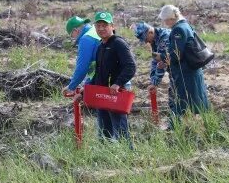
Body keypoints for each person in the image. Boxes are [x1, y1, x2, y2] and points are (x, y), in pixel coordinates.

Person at [157, 4, 210, 120]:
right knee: (196, 100)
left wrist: (161, 57)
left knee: (185, 103)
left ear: (171, 18)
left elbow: (176, 54)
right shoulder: (185, 25)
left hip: (185, 73)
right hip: (191, 70)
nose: (165, 23)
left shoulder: (178, 29)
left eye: (166, 20)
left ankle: (185, 128)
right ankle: (195, 126)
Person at [91, 11, 137, 141]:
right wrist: (87, 89)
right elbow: (99, 73)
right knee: (104, 132)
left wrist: (118, 83)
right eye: (98, 25)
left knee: (120, 131)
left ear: (112, 26)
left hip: (116, 94)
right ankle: (107, 159)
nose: (101, 28)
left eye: (104, 25)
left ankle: (128, 157)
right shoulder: (101, 47)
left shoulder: (118, 43)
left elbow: (131, 66)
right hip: (102, 95)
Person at [62, 16, 100, 96]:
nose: (74, 39)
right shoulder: (96, 30)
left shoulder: (86, 39)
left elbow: (82, 68)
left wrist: (71, 87)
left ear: (76, 30)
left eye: (72, 36)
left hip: (106, 84)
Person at [133, 22, 171, 93]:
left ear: (150, 32)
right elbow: (155, 60)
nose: (146, 41)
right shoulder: (154, 40)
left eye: (145, 38)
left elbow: (162, 63)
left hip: (183, 69)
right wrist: (153, 79)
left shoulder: (164, 37)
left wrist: (155, 83)